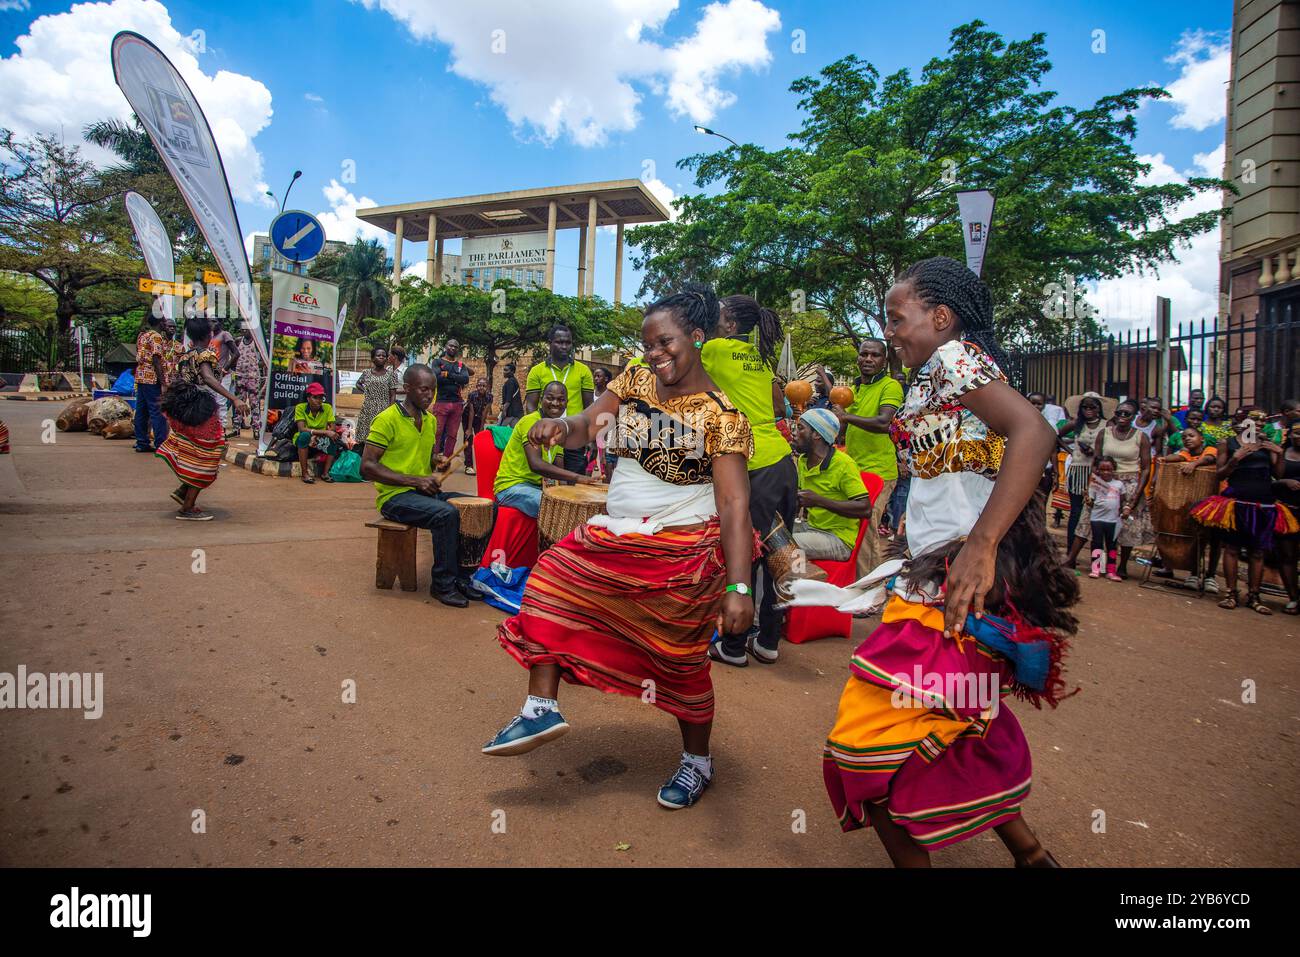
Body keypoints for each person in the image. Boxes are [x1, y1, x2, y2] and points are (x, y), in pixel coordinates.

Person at [794, 256, 1076, 867]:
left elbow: (1034, 433)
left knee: (860, 748)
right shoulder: (930, 376)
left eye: (897, 319)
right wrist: (911, 541)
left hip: (955, 583)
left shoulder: (953, 357)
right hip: (933, 576)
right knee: (954, 721)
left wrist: (980, 545)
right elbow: (958, 471)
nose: (889, 331)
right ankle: (1031, 855)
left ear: (941, 317)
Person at [484, 284, 755, 811]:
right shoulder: (634, 380)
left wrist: (739, 586)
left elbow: (735, 506)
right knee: (550, 578)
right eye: (648, 345)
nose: (655, 355)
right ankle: (541, 706)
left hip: (684, 543)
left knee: (677, 657)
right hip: (618, 530)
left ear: (698, 338)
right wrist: (560, 425)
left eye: (666, 343)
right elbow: (588, 427)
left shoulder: (725, 417)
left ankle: (697, 761)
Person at [701, 293, 797, 666]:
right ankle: (769, 640)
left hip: (753, 461)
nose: (712, 319)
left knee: (744, 549)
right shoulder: (759, 358)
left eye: (718, 314)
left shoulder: (716, 349)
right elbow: (776, 405)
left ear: (731, 325)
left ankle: (734, 646)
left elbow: (675, 366)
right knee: (780, 552)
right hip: (783, 460)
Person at [360, 364, 483, 608]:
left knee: (478, 507)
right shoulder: (387, 419)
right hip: (394, 498)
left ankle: (461, 577)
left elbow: (424, 460)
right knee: (446, 514)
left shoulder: (428, 421)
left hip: (420, 493)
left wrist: (437, 462)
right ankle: (442, 584)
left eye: (433, 390)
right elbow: (367, 467)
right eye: (424, 390)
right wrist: (416, 481)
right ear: (407, 389)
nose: (429, 395)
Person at [1192, 422, 1295, 614]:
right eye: (1253, 421)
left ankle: (1254, 596)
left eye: (1261, 422)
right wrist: (1235, 459)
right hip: (1236, 502)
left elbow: (1278, 474)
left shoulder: (1266, 444)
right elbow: (1220, 475)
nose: (1257, 425)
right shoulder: (1228, 443)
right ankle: (1231, 593)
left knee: (1258, 551)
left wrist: (1279, 453)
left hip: (1263, 503)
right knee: (1232, 548)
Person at [156, 314, 250, 521]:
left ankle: (185, 490)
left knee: (195, 450)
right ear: (208, 335)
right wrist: (234, 398)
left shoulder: (186, 354)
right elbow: (207, 377)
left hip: (186, 408)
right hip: (201, 409)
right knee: (207, 455)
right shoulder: (205, 354)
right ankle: (188, 506)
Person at [834, 338, 905, 575]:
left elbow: (884, 422)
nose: (868, 359)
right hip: (854, 469)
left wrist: (846, 417)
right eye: (864, 354)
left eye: (874, 355)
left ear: (884, 361)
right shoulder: (853, 391)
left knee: (867, 529)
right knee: (852, 527)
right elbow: (843, 432)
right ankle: (853, 580)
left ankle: (870, 590)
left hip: (879, 471)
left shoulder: (890, 386)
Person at [494, 381, 600, 515]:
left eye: (561, 399)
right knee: (558, 510)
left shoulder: (559, 429)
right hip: (512, 488)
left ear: (567, 403)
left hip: (538, 487)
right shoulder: (531, 422)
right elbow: (536, 464)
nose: (555, 403)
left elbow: (559, 467)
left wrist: (568, 494)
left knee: (576, 506)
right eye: (550, 398)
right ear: (541, 400)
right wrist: (577, 477)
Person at [1075, 399, 1152, 579]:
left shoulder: (1141, 437)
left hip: (1129, 483)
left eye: (1127, 414)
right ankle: (1074, 558)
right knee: (1088, 519)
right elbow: (1096, 460)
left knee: (1125, 526)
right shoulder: (1105, 433)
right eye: (1119, 413)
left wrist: (1137, 493)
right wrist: (1092, 485)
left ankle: (1121, 566)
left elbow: (1146, 467)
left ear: (1134, 417)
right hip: (1104, 481)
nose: (1122, 417)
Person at [787, 408, 872, 562]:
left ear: (817, 434)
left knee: (786, 546)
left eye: (800, 428)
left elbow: (865, 508)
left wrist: (819, 501)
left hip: (838, 538)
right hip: (813, 527)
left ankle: (797, 582)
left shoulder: (843, 464)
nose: (794, 433)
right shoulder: (803, 460)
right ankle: (798, 581)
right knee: (774, 536)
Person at [525, 324, 594, 474]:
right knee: (547, 483)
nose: (564, 346)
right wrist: (536, 431)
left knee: (575, 483)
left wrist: (590, 437)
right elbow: (530, 405)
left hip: (574, 435)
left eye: (568, 343)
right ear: (549, 343)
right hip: (546, 436)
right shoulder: (537, 371)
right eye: (559, 342)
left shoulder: (583, 371)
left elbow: (590, 406)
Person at [1059, 393, 1108, 568]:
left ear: (1099, 409)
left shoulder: (1106, 425)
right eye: (1085, 407)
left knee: (1099, 516)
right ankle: (1070, 556)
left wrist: (1095, 454)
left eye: (1092, 407)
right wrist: (1070, 451)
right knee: (1076, 512)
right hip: (1078, 471)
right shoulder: (1076, 424)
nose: (1088, 410)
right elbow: (1055, 436)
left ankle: (1098, 562)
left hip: (1097, 474)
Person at [1273, 421, 1300, 614]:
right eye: (1297, 432)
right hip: (1286, 510)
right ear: (1290, 434)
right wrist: (1285, 481)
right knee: (1287, 554)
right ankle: (1293, 597)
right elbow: (1270, 478)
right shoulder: (1280, 453)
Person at [293, 382, 344, 484]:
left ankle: (325, 473)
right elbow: (302, 428)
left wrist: (325, 433)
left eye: (321, 398)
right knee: (304, 436)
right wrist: (324, 432)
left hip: (320, 439)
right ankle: (305, 474)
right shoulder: (300, 407)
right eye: (315, 397)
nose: (318, 401)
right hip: (306, 438)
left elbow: (332, 428)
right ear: (308, 398)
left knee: (334, 437)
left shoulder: (327, 408)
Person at [132, 313, 169, 453]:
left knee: (141, 411)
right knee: (157, 411)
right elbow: (156, 360)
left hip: (141, 377)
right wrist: (163, 383)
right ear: (159, 323)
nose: (166, 324)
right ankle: (161, 443)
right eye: (164, 322)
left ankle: (142, 442)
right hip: (152, 378)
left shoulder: (143, 336)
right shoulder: (156, 337)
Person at [352, 346, 400, 454]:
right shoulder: (366, 373)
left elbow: (393, 395)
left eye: (384, 355)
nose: (381, 357)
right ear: (373, 358)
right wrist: (366, 391)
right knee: (365, 437)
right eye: (378, 355)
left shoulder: (391, 375)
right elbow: (358, 384)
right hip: (367, 409)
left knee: (380, 437)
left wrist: (390, 412)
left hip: (383, 409)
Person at [1084, 455, 1125, 580]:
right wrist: (1087, 499)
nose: (1106, 472)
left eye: (1109, 469)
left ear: (1114, 469)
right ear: (1098, 470)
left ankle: (1111, 571)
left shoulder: (1119, 484)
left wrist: (1125, 510)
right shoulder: (1094, 484)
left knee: (1112, 545)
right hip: (1097, 519)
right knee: (1097, 544)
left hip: (1113, 520)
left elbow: (1122, 501)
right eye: (1102, 469)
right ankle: (1096, 569)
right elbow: (1091, 502)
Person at [431, 339, 470, 460]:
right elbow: (436, 378)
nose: (453, 348)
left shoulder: (460, 365)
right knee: (437, 432)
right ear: (445, 347)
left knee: (452, 434)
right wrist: (456, 378)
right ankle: (434, 457)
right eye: (450, 345)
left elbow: (465, 379)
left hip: (457, 403)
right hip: (441, 402)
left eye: (455, 346)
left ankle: (446, 459)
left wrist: (448, 375)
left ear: (458, 350)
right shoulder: (437, 362)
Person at [209, 318, 239, 437]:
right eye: (210, 321)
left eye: (214, 321)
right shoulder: (209, 336)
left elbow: (236, 353)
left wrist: (224, 369)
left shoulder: (225, 335)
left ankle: (222, 431)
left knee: (220, 402)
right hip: (211, 374)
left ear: (220, 323)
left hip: (223, 375)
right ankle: (213, 430)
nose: (211, 324)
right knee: (211, 402)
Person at [233, 328, 264, 433]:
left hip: (253, 377)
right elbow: (233, 354)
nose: (244, 331)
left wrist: (255, 366)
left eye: (246, 329)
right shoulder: (238, 340)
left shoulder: (256, 343)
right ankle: (236, 427)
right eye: (242, 329)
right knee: (239, 401)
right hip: (240, 376)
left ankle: (256, 429)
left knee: (254, 403)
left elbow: (264, 358)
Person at [461, 376, 493, 476]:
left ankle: (483, 465)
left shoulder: (489, 397)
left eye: (483, 386)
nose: (481, 388)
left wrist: (481, 427)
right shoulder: (472, 395)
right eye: (479, 385)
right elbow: (471, 411)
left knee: (481, 440)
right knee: (468, 439)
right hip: (467, 417)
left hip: (479, 418)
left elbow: (485, 412)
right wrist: (469, 429)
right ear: (476, 386)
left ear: (487, 387)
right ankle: (469, 466)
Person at [499, 362, 524, 428]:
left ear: (512, 371)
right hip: (516, 412)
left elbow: (508, 399)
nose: (504, 372)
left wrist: (504, 411)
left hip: (510, 413)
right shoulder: (514, 381)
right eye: (504, 370)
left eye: (506, 370)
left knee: (499, 430)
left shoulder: (510, 382)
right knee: (515, 432)